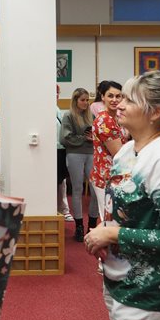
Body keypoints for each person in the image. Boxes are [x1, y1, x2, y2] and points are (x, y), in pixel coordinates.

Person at [84, 71, 160, 320]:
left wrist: (113, 234)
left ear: (154, 112)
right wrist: (105, 230)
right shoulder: (126, 149)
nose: (119, 105)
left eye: (129, 100)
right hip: (121, 282)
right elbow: (122, 209)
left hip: (153, 291)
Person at [60, 87, 97, 241]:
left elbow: (97, 134)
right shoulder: (68, 116)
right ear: (75, 100)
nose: (86, 103)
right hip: (75, 154)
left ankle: (92, 225)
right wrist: (83, 138)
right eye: (82, 100)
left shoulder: (91, 116)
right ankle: (79, 226)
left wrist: (93, 137)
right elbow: (65, 138)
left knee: (95, 191)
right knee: (77, 189)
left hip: (91, 153)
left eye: (87, 100)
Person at [90, 80, 128, 221]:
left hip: (115, 174)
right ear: (103, 97)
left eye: (118, 96)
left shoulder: (116, 117)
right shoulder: (105, 120)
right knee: (110, 219)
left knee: (115, 218)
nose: (114, 100)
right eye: (110, 96)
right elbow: (118, 152)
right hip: (106, 176)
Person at [56, 84, 74, 222]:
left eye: (58, 93)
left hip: (61, 148)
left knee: (62, 181)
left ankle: (64, 210)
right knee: (55, 181)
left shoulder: (58, 110)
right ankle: (57, 209)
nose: (56, 95)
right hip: (51, 150)